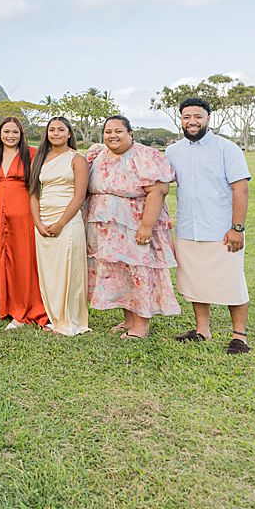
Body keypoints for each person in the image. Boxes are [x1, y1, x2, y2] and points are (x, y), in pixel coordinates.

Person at [165, 98, 253, 354]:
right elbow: (159, 186)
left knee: (232, 282)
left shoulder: (227, 149)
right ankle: (202, 329)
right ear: (180, 119)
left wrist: (237, 228)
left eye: (198, 117)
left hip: (221, 230)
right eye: (187, 117)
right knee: (195, 281)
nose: (192, 121)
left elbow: (241, 188)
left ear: (208, 119)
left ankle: (239, 336)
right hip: (188, 229)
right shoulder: (173, 151)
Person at [84, 115, 180, 340]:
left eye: (118, 131)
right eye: (108, 131)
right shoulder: (98, 154)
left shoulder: (144, 155)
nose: (112, 135)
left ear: (130, 133)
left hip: (134, 224)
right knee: (119, 271)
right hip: (105, 226)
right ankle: (128, 318)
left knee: (138, 271)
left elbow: (158, 191)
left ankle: (141, 325)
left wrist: (146, 226)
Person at [28, 116, 90, 336]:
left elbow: (80, 196)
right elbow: (33, 193)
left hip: (67, 221)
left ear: (69, 133)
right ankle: (54, 317)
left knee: (69, 270)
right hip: (43, 220)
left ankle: (71, 321)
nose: (55, 133)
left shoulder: (77, 159)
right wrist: (38, 222)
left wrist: (61, 223)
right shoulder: (40, 159)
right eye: (51, 130)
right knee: (50, 272)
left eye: (60, 130)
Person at [0, 117, 48, 330]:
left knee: (22, 261)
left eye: (15, 132)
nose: (10, 136)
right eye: (6, 132)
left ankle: (23, 309)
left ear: (21, 135)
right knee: (0, 258)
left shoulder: (31, 154)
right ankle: (4, 304)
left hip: (23, 214)